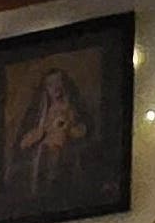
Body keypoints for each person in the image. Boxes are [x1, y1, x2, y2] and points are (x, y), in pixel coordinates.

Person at [9, 64, 100, 202]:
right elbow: (29, 137)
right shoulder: (40, 111)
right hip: (45, 144)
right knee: (45, 150)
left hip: (67, 144)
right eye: (51, 85)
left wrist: (70, 129)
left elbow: (84, 128)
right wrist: (41, 132)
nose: (56, 88)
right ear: (46, 89)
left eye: (59, 82)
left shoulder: (72, 107)